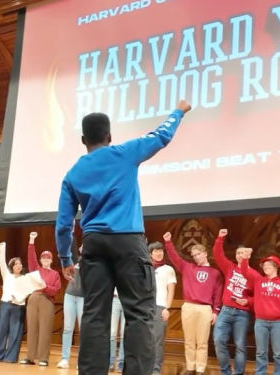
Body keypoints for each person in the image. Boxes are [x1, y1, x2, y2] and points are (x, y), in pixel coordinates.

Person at [54, 99, 192, 375]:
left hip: (92, 245)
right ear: (109, 137)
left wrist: (65, 258)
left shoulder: (72, 174)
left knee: (94, 315)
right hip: (128, 242)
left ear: (83, 140)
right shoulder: (124, 152)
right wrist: (179, 111)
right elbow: (161, 136)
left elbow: (63, 224)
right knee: (140, 313)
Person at [163, 232, 222, 375]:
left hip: (205, 308)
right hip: (189, 306)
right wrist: (168, 242)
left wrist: (215, 311)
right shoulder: (188, 268)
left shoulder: (215, 273)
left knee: (202, 342)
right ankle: (190, 367)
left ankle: (200, 369)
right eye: (194, 255)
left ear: (205, 253)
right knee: (189, 340)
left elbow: (218, 294)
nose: (196, 257)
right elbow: (175, 258)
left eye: (198, 254)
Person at [239, 250, 280, 375]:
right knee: (260, 352)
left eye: (268, 264)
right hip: (260, 322)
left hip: (278, 323)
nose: (265, 267)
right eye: (264, 265)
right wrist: (246, 258)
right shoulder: (258, 281)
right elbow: (244, 271)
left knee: (279, 353)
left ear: (276, 267)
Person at [212, 229, 254, 375]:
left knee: (240, 345)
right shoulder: (230, 268)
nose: (240, 256)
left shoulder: (253, 274)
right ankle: (225, 372)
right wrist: (220, 238)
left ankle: (238, 373)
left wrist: (247, 301)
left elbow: (258, 298)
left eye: (243, 253)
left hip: (242, 314)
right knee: (218, 340)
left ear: (249, 255)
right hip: (226, 310)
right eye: (238, 253)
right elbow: (218, 255)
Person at [20, 232, 62, 366]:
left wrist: (46, 287)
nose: (45, 259)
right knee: (32, 328)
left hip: (47, 299)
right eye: (43, 257)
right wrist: (31, 240)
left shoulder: (55, 274)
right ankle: (30, 357)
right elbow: (31, 258)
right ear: (41, 259)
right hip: (34, 298)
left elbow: (56, 289)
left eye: (47, 257)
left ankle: (43, 357)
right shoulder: (35, 269)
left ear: (51, 260)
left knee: (45, 329)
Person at [0, 242, 26, 363]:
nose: (18, 266)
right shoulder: (7, 275)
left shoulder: (25, 278)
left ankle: (11, 357)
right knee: (1, 329)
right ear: (12, 266)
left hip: (19, 306)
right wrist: (2, 248)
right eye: (16, 264)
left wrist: (19, 299)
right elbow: (1, 263)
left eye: (20, 264)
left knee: (15, 332)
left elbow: (27, 292)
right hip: (5, 304)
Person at [148, 241, 177, 375]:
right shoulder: (146, 268)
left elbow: (171, 291)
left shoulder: (168, 269)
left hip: (160, 306)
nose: (159, 253)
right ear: (150, 254)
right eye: (156, 251)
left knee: (157, 340)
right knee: (145, 339)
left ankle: (156, 368)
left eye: (161, 250)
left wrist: (167, 308)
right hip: (145, 307)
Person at [57, 238, 84, 369]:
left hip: (83, 297)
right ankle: (64, 358)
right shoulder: (74, 260)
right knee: (68, 328)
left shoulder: (92, 263)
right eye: (83, 247)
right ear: (80, 249)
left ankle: (81, 360)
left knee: (83, 329)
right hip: (69, 295)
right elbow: (72, 245)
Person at [109, 287, 125, 372]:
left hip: (127, 300)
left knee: (124, 334)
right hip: (115, 299)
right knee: (112, 334)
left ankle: (121, 362)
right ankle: (111, 362)